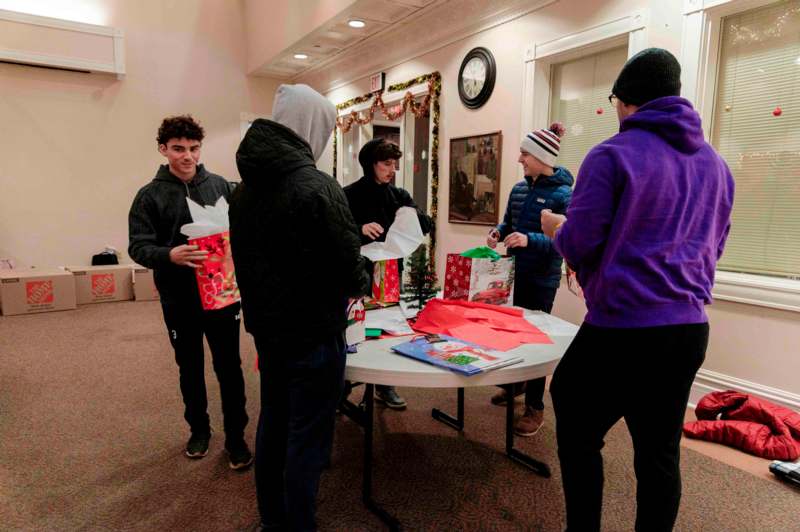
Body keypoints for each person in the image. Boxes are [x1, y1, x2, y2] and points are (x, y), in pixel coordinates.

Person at [541, 48, 734, 531]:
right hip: (687, 328)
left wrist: (554, 227)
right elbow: (715, 244)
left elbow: (582, 242)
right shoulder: (717, 165)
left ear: (626, 102)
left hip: (624, 326)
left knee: (573, 410)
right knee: (659, 451)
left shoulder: (611, 154)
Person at [229, 84, 369, 531]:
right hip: (314, 332)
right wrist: (363, 272)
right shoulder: (318, 187)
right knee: (307, 437)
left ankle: (273, 519)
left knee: (273, 423)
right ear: (313, 128)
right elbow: (350, 273)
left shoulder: (242, 192)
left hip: (268, 330)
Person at [128, 115, 252, 469]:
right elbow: (137, 246)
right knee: (190, 367)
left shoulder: (221, 187)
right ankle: (199, 431)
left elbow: (242, 231)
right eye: (179, 148)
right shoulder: (149, 195)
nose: (187, 156)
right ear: (163, 149)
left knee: (230, 367)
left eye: (194, 148)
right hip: (179, 297)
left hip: (223, 295)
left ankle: (236, 438)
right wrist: (170, 254)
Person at [486, 123, 573, 437]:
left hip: (542, 277)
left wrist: (530, 240)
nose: (520, 159)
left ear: (540, 156)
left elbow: (567, 239)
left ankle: (535, 407)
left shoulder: (565, 194)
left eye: (524, 153)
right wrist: (499, 231)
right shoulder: (519, 189)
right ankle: (515, 385)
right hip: (512, 274)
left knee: (536, 341)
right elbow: (509, 222)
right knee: (510, 333)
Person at [343, 139, 432, 410]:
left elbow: (425, 226)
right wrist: (359, 229)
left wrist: (409, 216)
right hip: (358, 272)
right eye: (386, 164)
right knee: (354, 327)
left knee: (387, 326)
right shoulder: (349, 194)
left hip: (391, 273)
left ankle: (384, 385)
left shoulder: (399, 195)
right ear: (371, 164)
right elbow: (337, 231)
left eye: (394, 164)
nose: (392, 169)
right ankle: (344, 384)